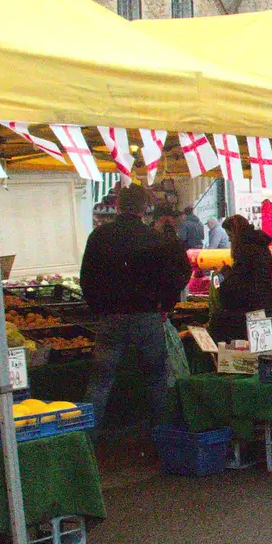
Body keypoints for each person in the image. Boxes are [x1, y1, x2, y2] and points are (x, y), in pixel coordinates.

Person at [80, 184, 191, 430]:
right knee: (156, 380)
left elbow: (86, 278)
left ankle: (87, 441)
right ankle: (162, 437)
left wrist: (98, 309)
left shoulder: (99, 236)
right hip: (148, 316)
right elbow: (179, 273)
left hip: (111, 317)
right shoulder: (155, 238)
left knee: (100, 382)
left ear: (118, 205)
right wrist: (166, 304)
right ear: (144, 208)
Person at [209, 215, 272, 342]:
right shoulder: (261, 247)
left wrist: (223, 274)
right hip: (265, 309)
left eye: (230, 236)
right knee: (260, 352)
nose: (229, 241)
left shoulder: (245, 251)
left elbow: (238, 286)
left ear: (235, 234)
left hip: (249, 312)